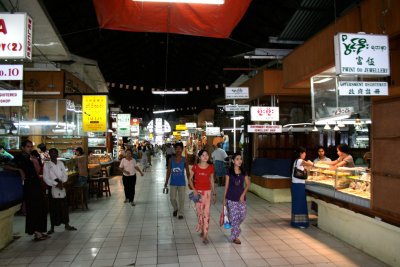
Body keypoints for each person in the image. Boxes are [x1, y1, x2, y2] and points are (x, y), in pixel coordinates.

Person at [5, 140, 48, 241]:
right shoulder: (19, 158)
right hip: (29, 187)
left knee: (40, 207)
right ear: (23, 147)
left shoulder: (28, 158)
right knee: (33, 209)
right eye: (28, 147)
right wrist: (19, 170)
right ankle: (37, 233)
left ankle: (39, 231)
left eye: (31, 147)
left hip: (35, 185)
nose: (30, 148)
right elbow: (6, 166)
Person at [43, 148, 77, 234]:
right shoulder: (47, 165)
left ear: (57, 154)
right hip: (53, 188)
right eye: (52, 153)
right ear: (49, 154)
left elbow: (65, 175)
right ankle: (52, 227)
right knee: (53, 208)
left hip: (62, 187)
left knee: (64, 207)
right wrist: (56, 183)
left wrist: (62, 182)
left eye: (55, 153)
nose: (54, 155)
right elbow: (46, 178)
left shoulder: (61, 163)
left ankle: (66, 224)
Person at [188, 149, 216, 244]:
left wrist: (214, 193)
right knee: (199, 213)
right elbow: (190, 179)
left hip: (207, 193)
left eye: (207, 155)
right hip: (198, 194)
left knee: (206, 214)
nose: (205, 156)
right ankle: (202, 228)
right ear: (199, 157)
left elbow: (212, 180)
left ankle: (205, 235)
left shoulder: (211, 167)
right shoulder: (195, 167)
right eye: (203, 155)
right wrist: (194, 189)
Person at [223, 152, 250, 245]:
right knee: (235, 218)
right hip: (231, 198)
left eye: (240, 159)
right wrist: (224, 198)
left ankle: (234, 225)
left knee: (242, 216)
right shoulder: (229, 172)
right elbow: (226, 186)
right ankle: (235, 236)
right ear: (233, 161)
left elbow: (248, 184)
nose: (240, 161)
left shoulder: (244, 172)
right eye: (237, 159)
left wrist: (243, 194)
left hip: (241, 198)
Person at [165, 142, 190, 219]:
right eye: (176, 149)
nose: (178, 150)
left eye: (180, 149)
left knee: (181, 199)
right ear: (175, 150)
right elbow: (169, 171)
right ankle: (175, 208)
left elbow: (188, 171)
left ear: (182, 149)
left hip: (182, 182)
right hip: (173, 182)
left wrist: (190, 181)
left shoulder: (184, 160)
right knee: (172, 198)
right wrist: (166, 181)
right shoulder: (171, 159)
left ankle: (181, 213)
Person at [291, 147, 313, 229]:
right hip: (298, 185)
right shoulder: (300, 161)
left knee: (298, 203)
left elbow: (306, 169)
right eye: (304, 153)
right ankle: (299, 223)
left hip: (296, 185)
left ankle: (296, 222)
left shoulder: (296, 161)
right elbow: (311, 165)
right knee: (300, 204)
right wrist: (311, 163)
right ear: (301, 153)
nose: (305, 154)